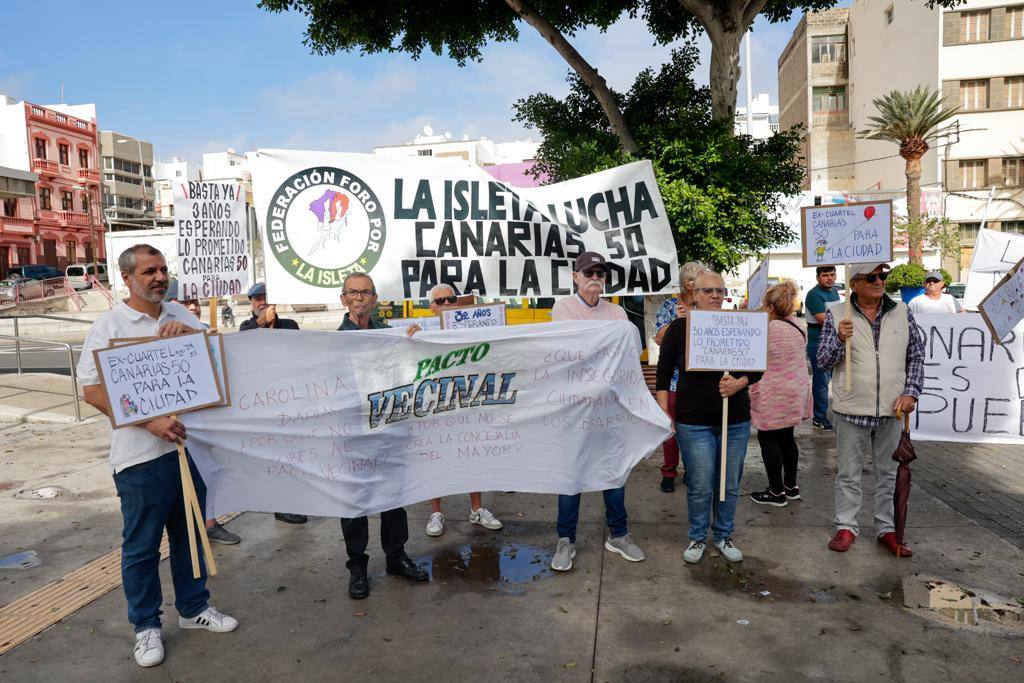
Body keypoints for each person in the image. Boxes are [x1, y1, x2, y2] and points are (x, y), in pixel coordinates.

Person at [77, 244, 238, 668]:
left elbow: (219, 363)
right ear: (127, 277)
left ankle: (193, 609)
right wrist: (150, 422)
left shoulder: (181, 316)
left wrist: (192, 336)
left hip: (189, 451)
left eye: (164, 270)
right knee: (142, 547)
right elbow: (92, 389)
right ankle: (146, 626)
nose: (159, 277)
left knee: (190, 538)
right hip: (140, 458)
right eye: (149, 271)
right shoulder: (108, 325)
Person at [817, 262, 924, 557]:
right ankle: (846, 526)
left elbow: (916, 356)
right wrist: (839, 339)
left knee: (889, 473)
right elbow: (823, 361)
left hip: (893, 409)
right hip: (851, 409)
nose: (880, 282)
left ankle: (887, 529)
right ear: (855, 284)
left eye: (883, 276)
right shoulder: (838, 314)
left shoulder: (902, 311)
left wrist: (911, 393)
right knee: (848, 473)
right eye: (871, 277)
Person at [656, 271, 763, 564]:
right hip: (693, 422)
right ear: (694, 294)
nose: (715, 295)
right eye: (708, 290)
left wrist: (739, 382)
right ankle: (697, 537)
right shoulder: (678, 329)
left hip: (735, 419)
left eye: (720, 290)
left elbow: (757, 368)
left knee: (728, 483)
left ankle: (724, 534)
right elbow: (663, 374)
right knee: (701, 484)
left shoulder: (739, 325)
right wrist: (665, 412)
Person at [549, 252, 646, 572]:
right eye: (589, 271)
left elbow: (628, 354)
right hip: (574, 410)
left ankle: (619, 534)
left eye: (601, 273)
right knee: (571, 475)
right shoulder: (562, 308)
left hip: (609, 408)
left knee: (613, 472)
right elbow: (569, 353)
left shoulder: (618, 313)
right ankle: (566, 539)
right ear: (575, 277)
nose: (595, 277)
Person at [336, 272, 429, 598]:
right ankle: (357, 565)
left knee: (393, 497)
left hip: (388, 429)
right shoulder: (333, 342)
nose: (360, 298)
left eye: (366, 293)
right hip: (354, 433)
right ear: (343, 298)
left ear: (375, 300)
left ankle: (396, 556)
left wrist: (416, 341)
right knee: (355, 502)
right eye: (353, 293)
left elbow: (409, 367)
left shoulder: (389, 336)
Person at [407, 283, 503, 537]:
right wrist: (410, 338)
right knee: (436, 457)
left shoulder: (471, 329)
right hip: (436, 404)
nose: (447, 305)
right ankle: (436, 512)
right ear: (431, 307)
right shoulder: (420, 329)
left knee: (472, 453)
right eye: (440, 301)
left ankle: (477, 509)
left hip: (469, 400)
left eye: (451, 300)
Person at [238, 282, 307, 525]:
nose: (262, 302)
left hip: (290, 399)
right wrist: (260, 324)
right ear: (251, 303)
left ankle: (293, 501)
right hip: (263, 403)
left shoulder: (289, 326)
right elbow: (243, 344)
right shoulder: (246, 327)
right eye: (257, 299)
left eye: (266, 297)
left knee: (293, 454)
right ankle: (281, 505)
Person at [748, 282, 812, 507]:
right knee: (787, 437)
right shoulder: (798, 326)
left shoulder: (766, 329)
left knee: (768, 438)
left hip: (771, 392)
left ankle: (776, 492)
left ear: (771, 306)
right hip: (795, 390)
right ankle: (790, 486)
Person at [652, 261, 709, 493]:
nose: (709, 289)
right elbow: (658, 338)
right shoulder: (668, 306)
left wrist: (695, 318)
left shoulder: (707, 308)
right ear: (688, 284)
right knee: (670, 430)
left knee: (694, 429)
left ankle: (690, 470)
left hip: (699, 382)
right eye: (703, 283)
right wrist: (677, 321)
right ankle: (668, 471)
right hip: (674, 382)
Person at [804, 265, 841, 431]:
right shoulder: (813, 295)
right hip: (818, 344)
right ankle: (819, 418)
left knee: (835, 380)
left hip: (833, 343)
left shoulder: (834, 292)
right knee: (821, 383)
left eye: (832, 274)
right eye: (825, 275)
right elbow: (825, 320)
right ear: (818, 277)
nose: (830, 278)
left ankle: (831, 414)